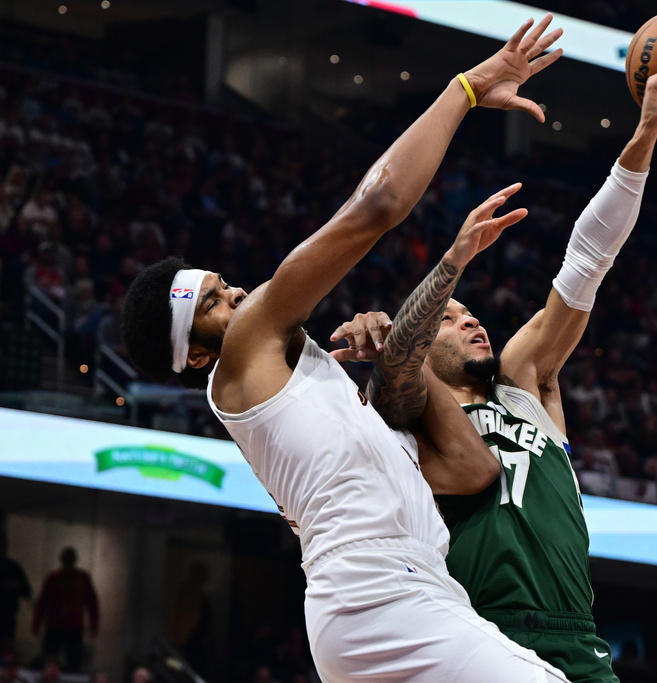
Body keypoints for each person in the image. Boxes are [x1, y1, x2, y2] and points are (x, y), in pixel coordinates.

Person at [120, 16, 569, 683]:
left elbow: (472, 471)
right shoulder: (246, 347)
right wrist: (466, 90)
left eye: (222, 282)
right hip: (381, 591)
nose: (237, 293)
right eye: (215, 300)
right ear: (193, 356)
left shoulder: (295, 393)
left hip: (400, 593)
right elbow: (378, 204)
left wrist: (392, 366)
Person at [337, 56, 657, 682]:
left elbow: (588, 260)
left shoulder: (524, 380)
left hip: (575, 637)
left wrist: (643, 138)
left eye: (471, 313)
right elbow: (394, 375)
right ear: (419, 343)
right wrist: (400, 322)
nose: (473, 321)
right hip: (471, 630)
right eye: (452, 318)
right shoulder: (409, 416)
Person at [32, 547, 98, 673]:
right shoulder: (53, 577)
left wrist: (93, 625)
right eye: (66, 558)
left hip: (73, 626)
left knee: (74, 662)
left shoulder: (82, 578)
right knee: (49, 659)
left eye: (70, 558)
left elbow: (92, 603)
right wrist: (36, 623)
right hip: (55, 625)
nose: (68, 561)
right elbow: (43, 602)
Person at [0, 531, 31, 657]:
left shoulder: (13, 567)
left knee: (6, 650)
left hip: (7, 617)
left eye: (2, 543)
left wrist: (16, 586)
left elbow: (27, 590)